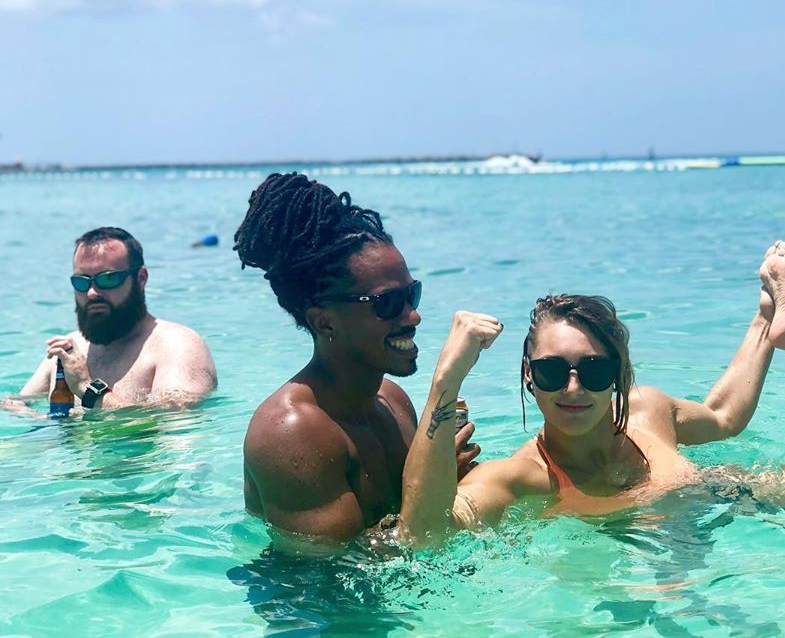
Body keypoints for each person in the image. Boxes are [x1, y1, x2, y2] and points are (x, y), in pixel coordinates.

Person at [400, 242, 785, 547]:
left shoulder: (646, 412)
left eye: (595, 371)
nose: (573, 388)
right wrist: (446, 382)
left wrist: (765, 321)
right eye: (552, 371)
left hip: (741, 498)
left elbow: (724, 417)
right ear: (527, 376)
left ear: (620, 375)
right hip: (651, 569)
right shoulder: (519, 479)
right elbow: (425, 537)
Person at [235, 172, 485, 542]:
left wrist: (441, 474)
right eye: (388, 303)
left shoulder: (392, 402)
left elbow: (415, 526)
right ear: (324, 321)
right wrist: (445, 383)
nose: (413, 316)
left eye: (411, 295)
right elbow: (337, 567)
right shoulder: (291, 432)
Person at [14, 226, 217, 411]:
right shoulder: (70, 350)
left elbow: (175, 418)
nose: (92, 292)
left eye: (108, 278)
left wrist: (86, 387)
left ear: (141, 278)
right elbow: (16, 404)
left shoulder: (178, 345)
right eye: (81, 282)